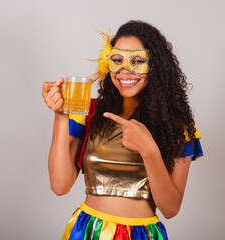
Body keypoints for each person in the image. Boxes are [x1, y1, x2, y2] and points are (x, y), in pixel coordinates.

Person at [42, 20, 203, 239]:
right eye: (117, 60)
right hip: (88, 231)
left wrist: (149, 150)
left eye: (137, 61)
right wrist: (61, 115)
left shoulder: (178, 127)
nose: (125, 71)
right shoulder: (89, 112)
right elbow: (60, 185)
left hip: (142, 234)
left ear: (155, 67)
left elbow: (170, 208)